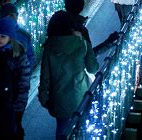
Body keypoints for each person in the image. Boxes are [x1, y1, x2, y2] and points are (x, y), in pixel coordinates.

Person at [38, 10, 99, 140]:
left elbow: (45, 77)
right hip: (81, 97)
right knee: (83, 131)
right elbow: (93, 68)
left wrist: (44, 99)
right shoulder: (81, 42)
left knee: (62, 130)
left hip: (59, 100)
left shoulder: (49, 46)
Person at [0, 17, 30, 140]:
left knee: (14, 130)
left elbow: (24, 83)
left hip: (14, 102)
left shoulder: (18, 54)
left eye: (2, 36)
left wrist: (19, 106)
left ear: (10, 37)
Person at [0, 2, 35, 70]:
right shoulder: (24, 35)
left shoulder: (24, 35)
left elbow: (30, 57)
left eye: (12, 15)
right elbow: (30, 57)